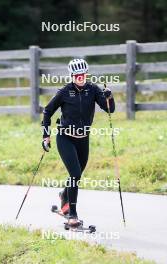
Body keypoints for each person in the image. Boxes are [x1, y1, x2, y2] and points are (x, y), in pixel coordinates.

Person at [41, 58, 115, 226]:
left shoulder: (93, 90)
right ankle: (72, 215)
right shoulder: (64, 92)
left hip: (83, 139)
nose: (80, 78)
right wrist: (46, 136)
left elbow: (109, 109)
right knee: (75, 174)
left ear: (86, 74)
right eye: (77, 75)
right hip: (65, 138)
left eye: (83, 75)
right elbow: (47, 111)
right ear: (72, 76)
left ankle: (64, 195)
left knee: (77, 175)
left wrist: (109, 97)